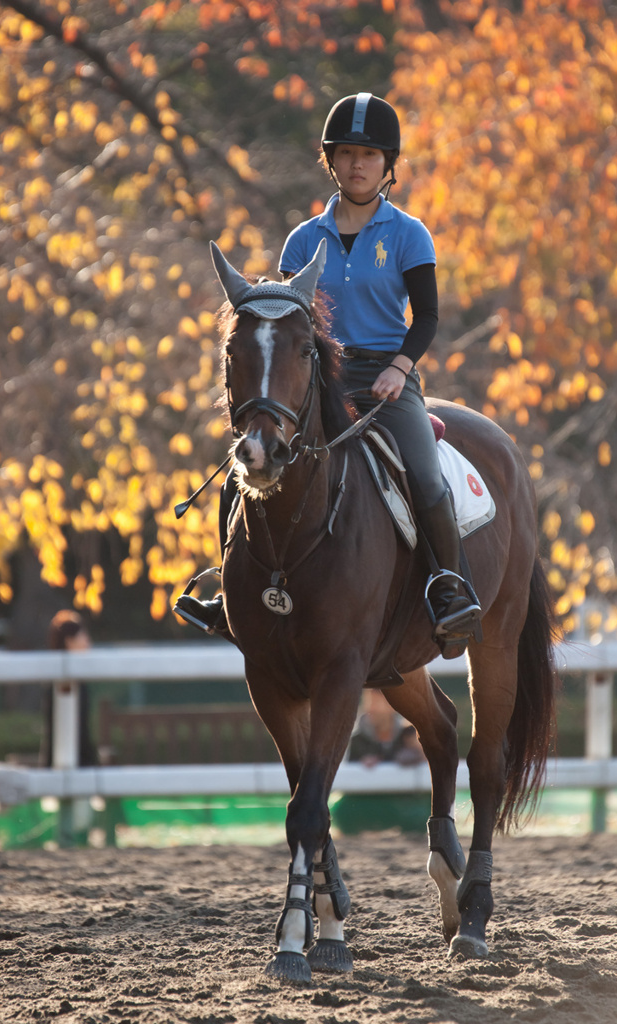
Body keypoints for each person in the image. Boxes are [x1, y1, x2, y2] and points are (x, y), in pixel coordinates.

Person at [175, 92, 481, 655]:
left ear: (388, 165)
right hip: (318, 376)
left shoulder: (409, 234)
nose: (356, 164)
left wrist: (400, 366)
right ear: (331, 161)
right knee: (246, 463)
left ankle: (448, 587)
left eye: (368, 154)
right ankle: (227, 589)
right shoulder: (302, 240)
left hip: (388, 377)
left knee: (424, 473)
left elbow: (429, 316)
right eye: (345, 153)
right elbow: (293, 326)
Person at [40, 610, 97, 768]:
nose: (88, 641)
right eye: (83, 636)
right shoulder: (61, 685)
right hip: (71, 764)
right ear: (69, 641)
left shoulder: (77, 682)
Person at [348, 689, 425, 767]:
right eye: (368, 702)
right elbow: (348, 774)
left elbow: (428, 765)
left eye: (376, 702)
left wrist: (418, 754)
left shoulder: (408, 736)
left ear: (392, 706)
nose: (371, 708)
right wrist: (361, 764)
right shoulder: (357, 741)